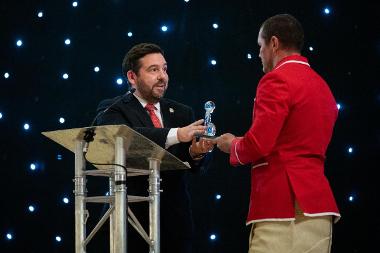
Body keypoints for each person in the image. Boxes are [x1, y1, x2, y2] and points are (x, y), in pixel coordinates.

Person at [215, 14, 340, 253]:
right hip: (319, 206)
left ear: (274, 43)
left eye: (260, 46)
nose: (259, 54)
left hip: (283, 207)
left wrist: (232, 145)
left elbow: (259, 144)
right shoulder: (322, 85)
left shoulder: (275, 80)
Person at [96, 43, 213, 253]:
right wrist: (177, 134)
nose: (162, 76)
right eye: (153, 70)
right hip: (128, 221)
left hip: (174, 223)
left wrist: (196, 154)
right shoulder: (113, 108)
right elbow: (125, 136)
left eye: (164, 69)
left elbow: (196, 165)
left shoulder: (181, 112)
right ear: (132, 77)